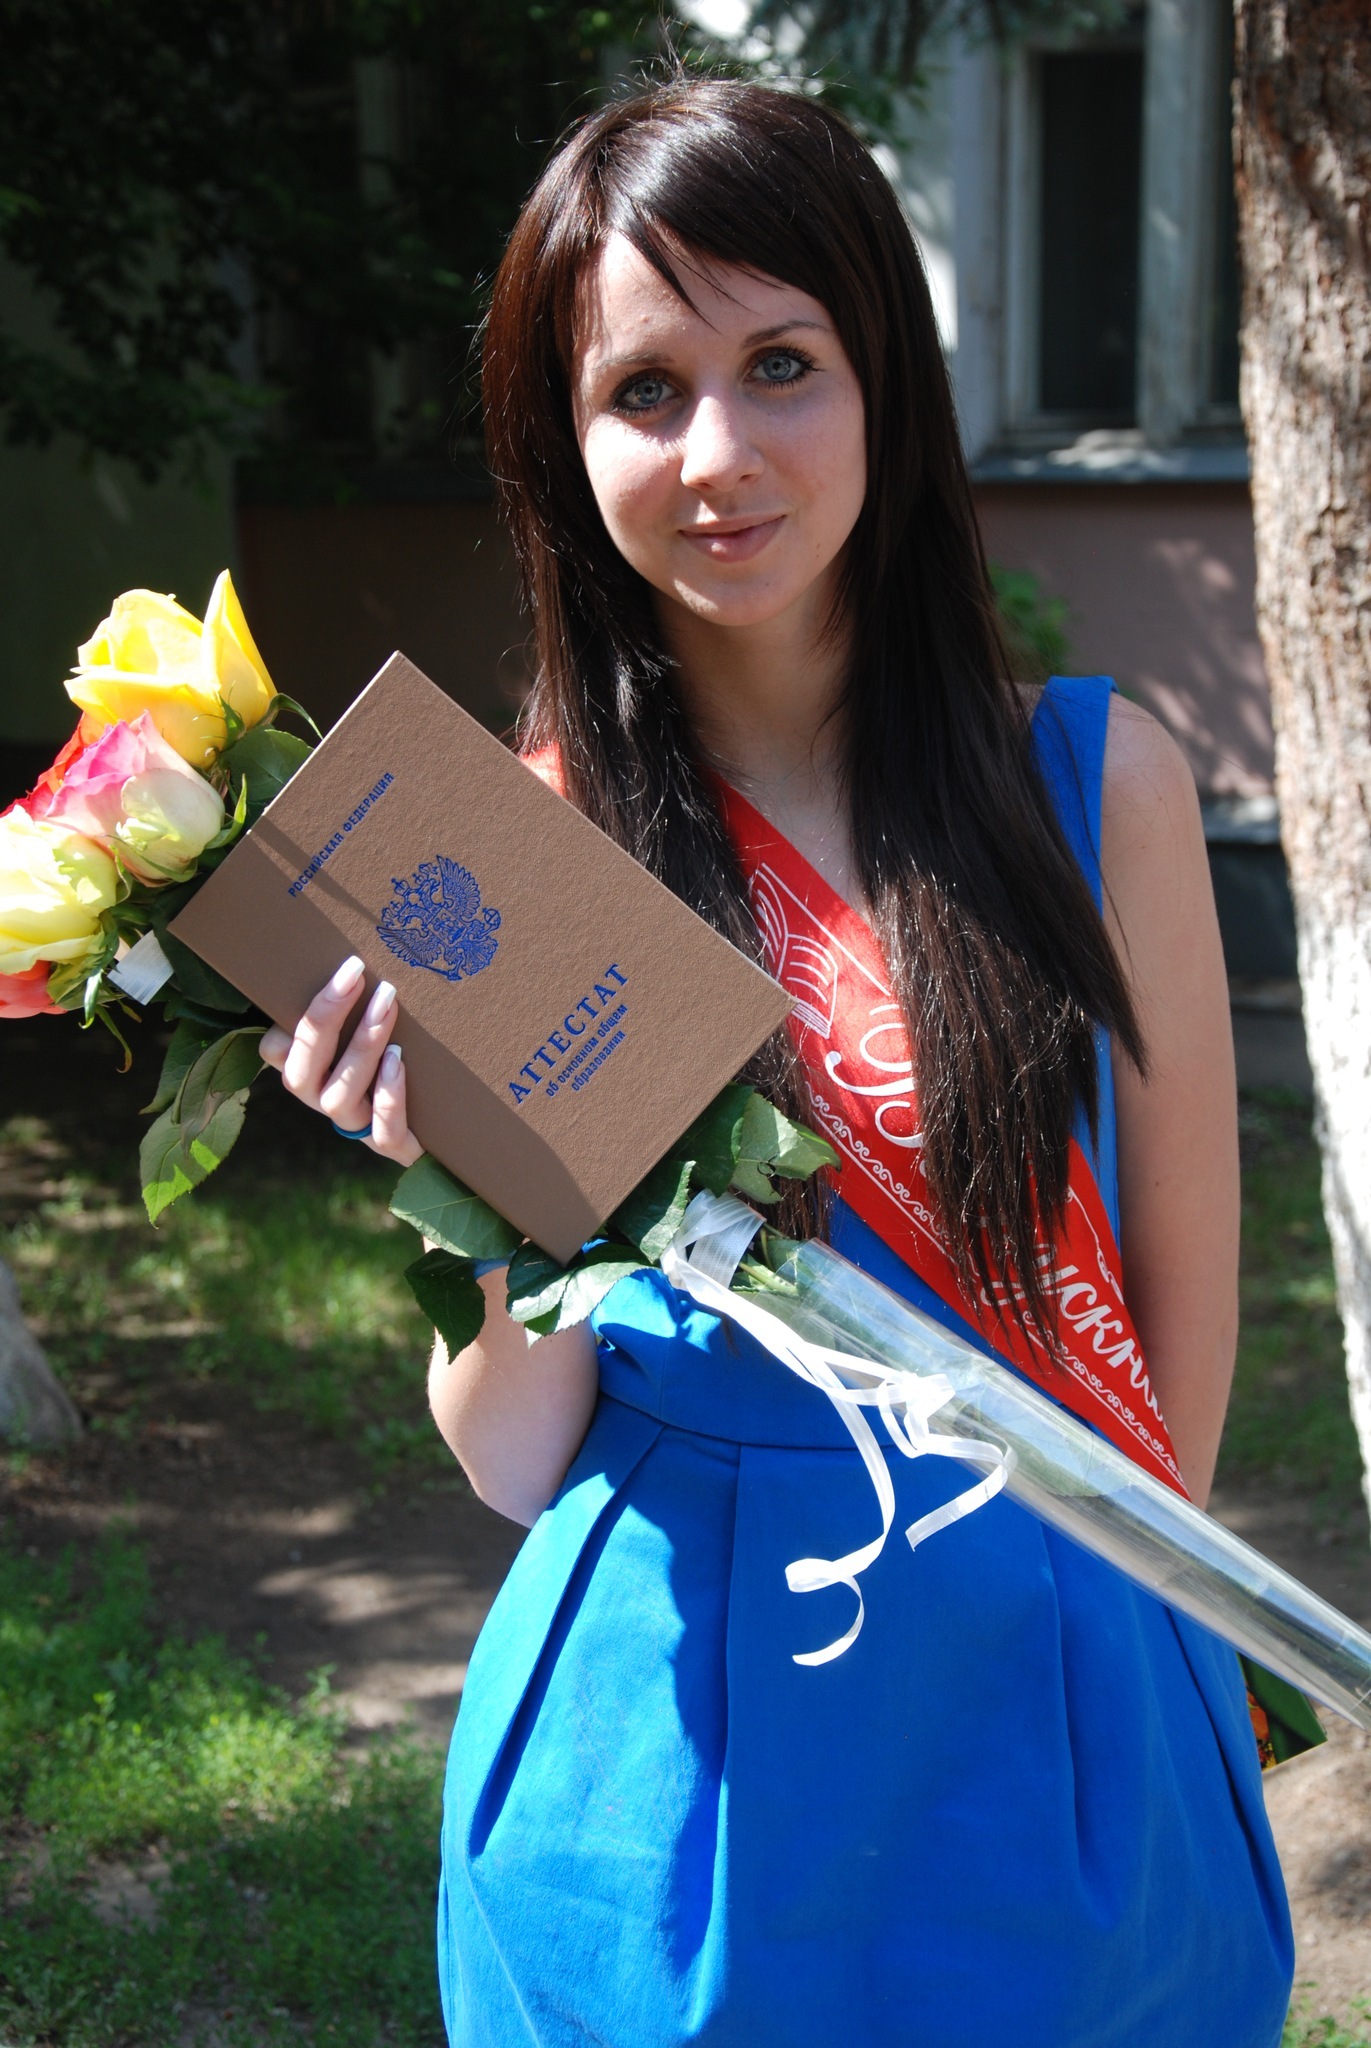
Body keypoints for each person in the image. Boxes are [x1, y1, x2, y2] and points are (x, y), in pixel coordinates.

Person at [260, 77, 1293, 2048]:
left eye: (782, 365)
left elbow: (1174, 1349)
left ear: (885, 382)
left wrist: (1117, 1675)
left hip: (1054, 1713)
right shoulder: (514, 855)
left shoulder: (1098, 786)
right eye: (642, 391)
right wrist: (459, 1178)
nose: (717, 453)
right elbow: (511, 1458)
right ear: (562, 447)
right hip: (673, 1768)